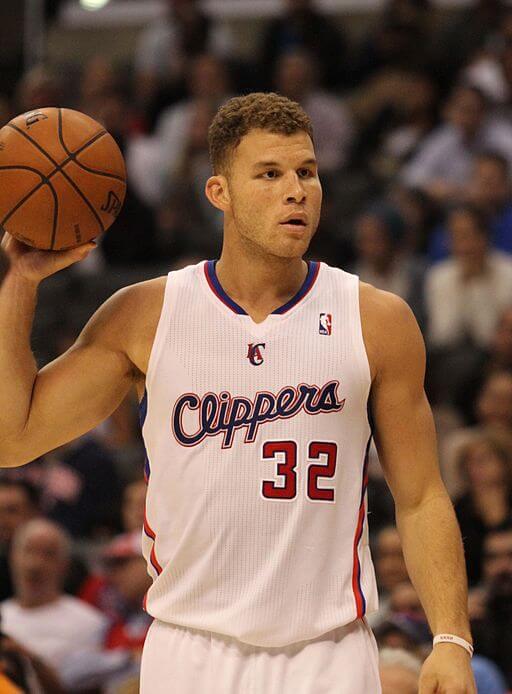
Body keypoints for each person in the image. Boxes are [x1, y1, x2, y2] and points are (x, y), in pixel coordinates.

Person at [0, 92, 475, 693]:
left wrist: (451, 638)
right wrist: (20, 282)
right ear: (218, 193)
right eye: (270, 174)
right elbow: (13, 440)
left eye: (307, 172)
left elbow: (422, 495)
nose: (296, 190)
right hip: (188, 650)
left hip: (328, 654)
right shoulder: (145, 315)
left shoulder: (376, 320)